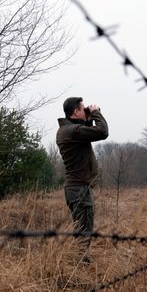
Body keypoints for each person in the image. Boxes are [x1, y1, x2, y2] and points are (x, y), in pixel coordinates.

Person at [56, 97, 109, 259]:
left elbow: (85, 131)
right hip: (78, 188)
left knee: (82, 229)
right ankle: (80, 266)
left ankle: (80, 262)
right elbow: (102, 132)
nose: (86, 110)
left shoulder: (68, 130)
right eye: (83, 108)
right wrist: (95, 113)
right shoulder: (72, 131)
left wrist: (87, 118)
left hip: (77, 188)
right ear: (76, 111)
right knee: (83, 232)